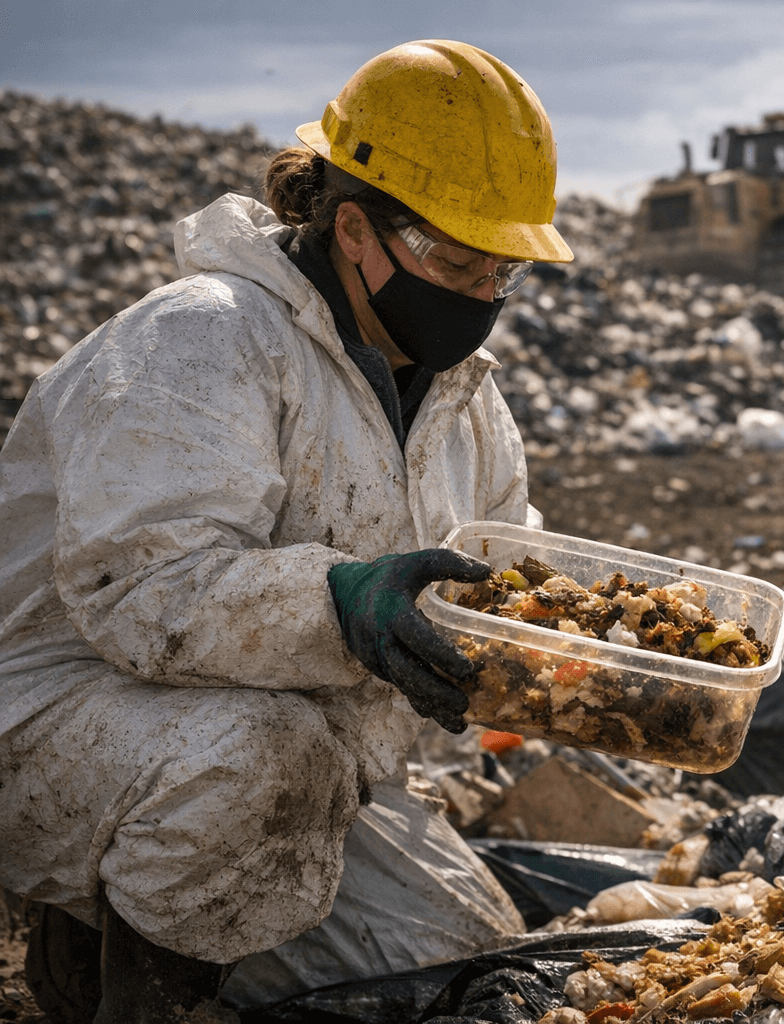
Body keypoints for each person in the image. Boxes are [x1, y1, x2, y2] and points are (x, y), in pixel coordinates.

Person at [0, 40, 572, 1022]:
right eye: (457, 260)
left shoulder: (467, 404)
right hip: (69, 717)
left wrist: (569, 646)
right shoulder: (201, 338)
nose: (482, 295)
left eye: (501, 269)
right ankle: (127, 975)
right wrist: (338, 599)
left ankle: (144, 917)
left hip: (306, 753)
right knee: (268, 758)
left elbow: (503, 560)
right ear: (354, 227)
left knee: (466, 974)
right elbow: (136, 590)